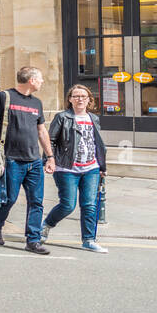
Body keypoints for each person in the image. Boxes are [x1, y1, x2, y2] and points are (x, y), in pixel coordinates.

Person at [0, 65, 56, 254]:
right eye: (40, 78)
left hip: (35, 161)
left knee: (36, 201)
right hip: (12, 159)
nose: (42, 82)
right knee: (9, 199)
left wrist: (50, 156)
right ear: (31, 80)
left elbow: (42, 131)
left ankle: (33, 241)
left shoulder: (37, 103)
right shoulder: (4, 97)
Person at [44, 84, 108, 253]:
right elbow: (49, 140)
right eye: (76, 96)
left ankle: (88, 240)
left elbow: (97, 144)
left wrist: (102, 165)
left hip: (91, 168)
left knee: (89, 205)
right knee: (67, 205)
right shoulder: (62, 117)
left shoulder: (94, 118)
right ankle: (46, 225)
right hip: (66, 168)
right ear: (70, 99)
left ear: (89, 100)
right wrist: (49, 160)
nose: (80, 99)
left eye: (83, 96)